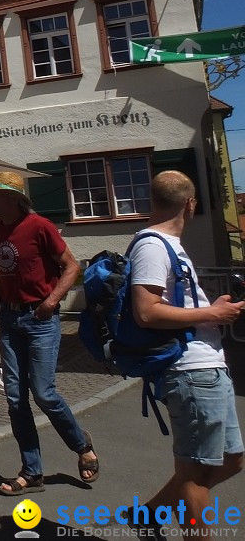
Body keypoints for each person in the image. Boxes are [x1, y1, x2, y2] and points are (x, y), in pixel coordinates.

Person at [129, 171, 243, 539]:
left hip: (208, 366)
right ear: (190, 203)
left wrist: (212, 306)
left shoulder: (168, 244)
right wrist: (212, 314)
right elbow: (146, 311)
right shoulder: (152, 245)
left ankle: (149, 513)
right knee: (196, 476)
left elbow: (173, 304)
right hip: (190, 371)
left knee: (230, 460)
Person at [0, 170, 98, 497]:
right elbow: (8, 273)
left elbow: (72, 267)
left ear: (13, 199)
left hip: (40, 318)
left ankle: (81, 445)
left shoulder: (40, 227)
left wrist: (51, 302)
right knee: (16, 398)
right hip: (10, 318)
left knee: (44, 393)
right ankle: (32, 471)